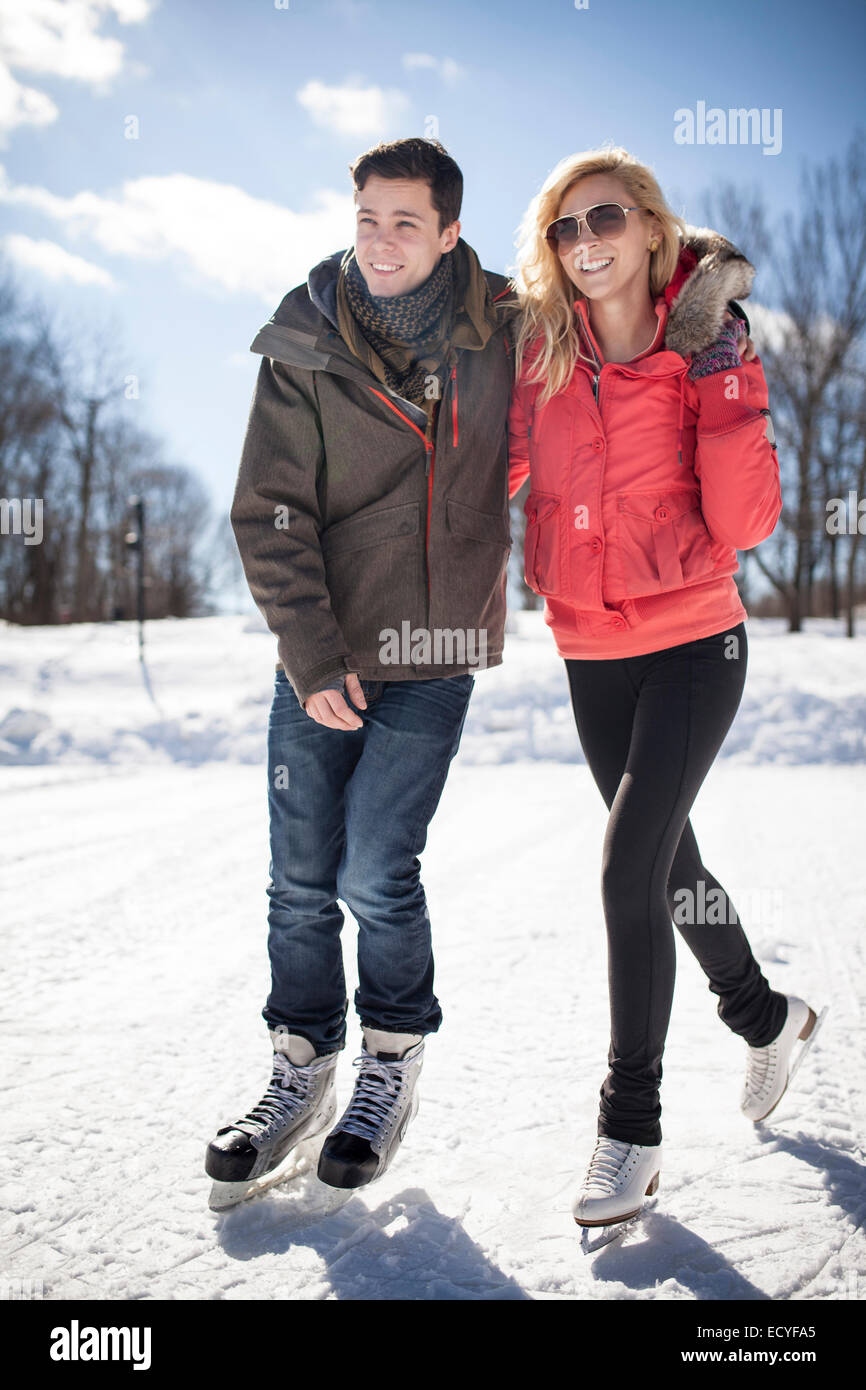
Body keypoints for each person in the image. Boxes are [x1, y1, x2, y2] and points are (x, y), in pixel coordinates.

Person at [507, 146, 820, 1230]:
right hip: (590, 650)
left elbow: (744, 527)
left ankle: (628, 1128)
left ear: (648, 228)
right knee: (668, 863)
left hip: (695, 641)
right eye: (560, 228)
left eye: (601, 217)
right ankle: (764, 1015)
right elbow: (478, 472)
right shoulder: (541, 360)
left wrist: (722, 378)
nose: (581, 241)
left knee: (625, 864)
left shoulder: (712, 351)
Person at [205, 138, 518, 1207]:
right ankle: (301, 1063)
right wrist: (310, 652)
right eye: (367, 218)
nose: (381, 242)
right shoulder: (305, 339)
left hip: (434, 648)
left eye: (405, 223)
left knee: (375, 866)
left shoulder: (505, 329)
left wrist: (707, 307)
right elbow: (269, 508)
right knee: (299, 876)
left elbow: (619, 306)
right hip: (325, 647)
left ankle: (389, 1057)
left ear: (448, 234)